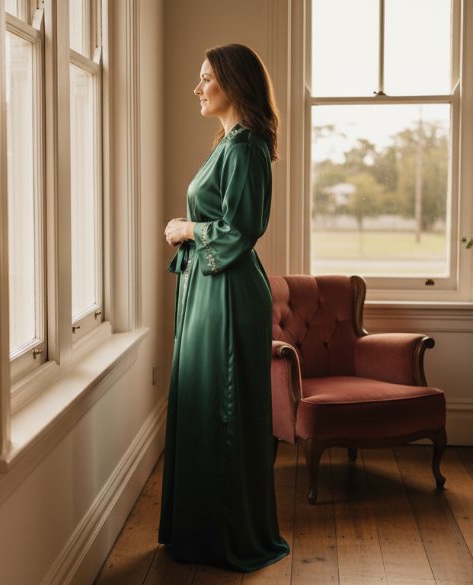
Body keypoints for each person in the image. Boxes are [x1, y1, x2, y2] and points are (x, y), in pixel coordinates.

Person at [158, 43, 289, 572]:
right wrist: (189, 235)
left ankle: (226, 537)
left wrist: (188, 229)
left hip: (228, 292)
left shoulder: (246, 148)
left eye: (206, 78)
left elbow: (241, 229)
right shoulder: (230, 143)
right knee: (203, 403)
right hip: (210, 287)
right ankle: (201, 532)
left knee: (223, 408)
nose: (198, 87)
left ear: (233, 84)